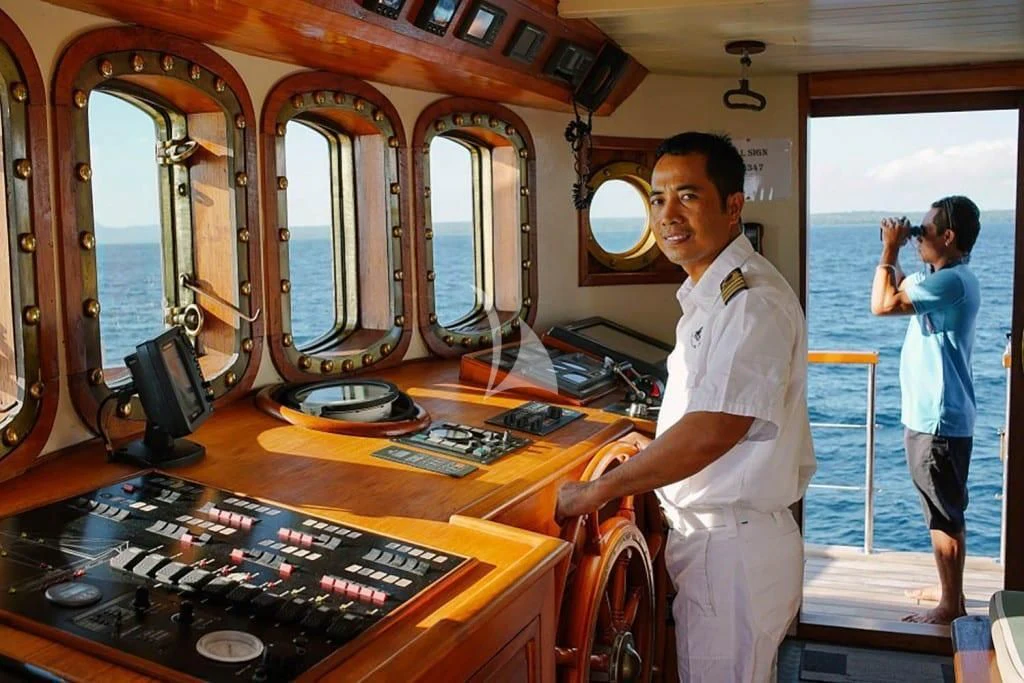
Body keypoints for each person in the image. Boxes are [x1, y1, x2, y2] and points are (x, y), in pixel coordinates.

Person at [555, 132, 815, 682]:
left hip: (732, 550)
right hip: (718, 542)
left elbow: (713, 431)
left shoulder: (751, 303)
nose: (667, 214)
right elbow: (700, 417)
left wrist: (601, 489)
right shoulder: (709, 295)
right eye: (656, 198)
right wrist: (648, 448)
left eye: (688, 196)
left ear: (733, 206)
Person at [870, 196, 981, 625]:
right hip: (932, 415)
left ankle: (951, 605)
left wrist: (889, 249)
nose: (919, 238)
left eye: (925, 231)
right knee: (941, 508)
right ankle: (951, 592)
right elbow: (895, 287)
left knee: (944, 514)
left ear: (948, 237)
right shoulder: (940, 277)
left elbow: (881, 305)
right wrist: (897, 253)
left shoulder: (953, 282)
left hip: (939, 418)